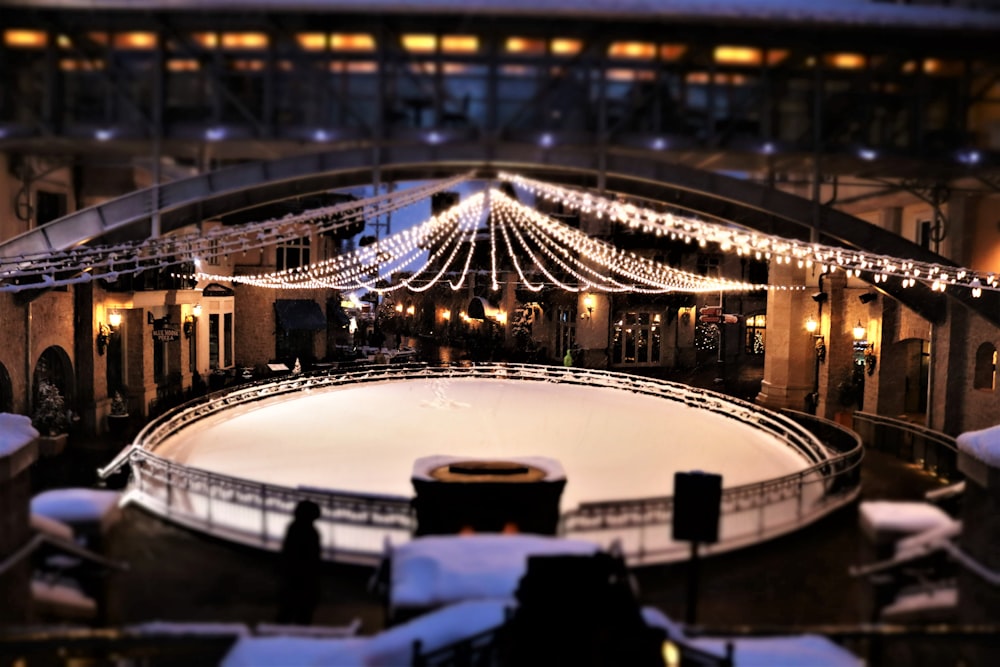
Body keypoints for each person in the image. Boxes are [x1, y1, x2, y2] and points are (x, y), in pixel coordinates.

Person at [276, 500, 322, 625]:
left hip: (293, 577)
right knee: (303, 614)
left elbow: (287, 553)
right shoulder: (312, 533)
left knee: (287, 611)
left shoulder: (293, 528)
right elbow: (313, 558)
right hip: (305, 579)